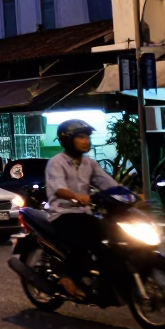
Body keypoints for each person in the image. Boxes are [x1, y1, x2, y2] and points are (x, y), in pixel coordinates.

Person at [44, 119, 119, 300]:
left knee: (114, 237)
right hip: (63, 214)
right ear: (67, 140)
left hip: (84, 213)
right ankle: (68, 277)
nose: (86, 141)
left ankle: (107, 282)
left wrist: (129, 196)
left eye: (87, 137)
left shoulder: (89, 163)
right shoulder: (56, 163)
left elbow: (107, 183)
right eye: (81, 137)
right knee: (87, 239)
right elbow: (58, 188)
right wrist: (76, 196)